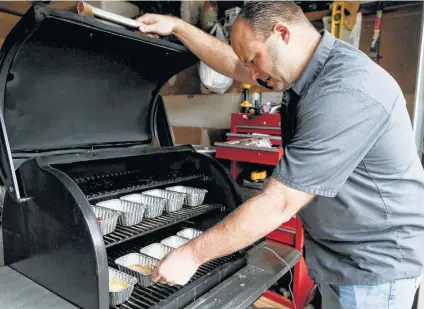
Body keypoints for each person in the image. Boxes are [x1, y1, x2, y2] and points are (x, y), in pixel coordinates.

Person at [137, 2, 424, 308]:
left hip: (373, 266)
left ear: (283, 33)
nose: (252, 74)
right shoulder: (303, 69)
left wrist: (191, 254)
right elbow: (232, 63)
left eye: (254, 60)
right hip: (342, 257)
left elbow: (281, 203)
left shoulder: (345, 89)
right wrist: (178, 27)